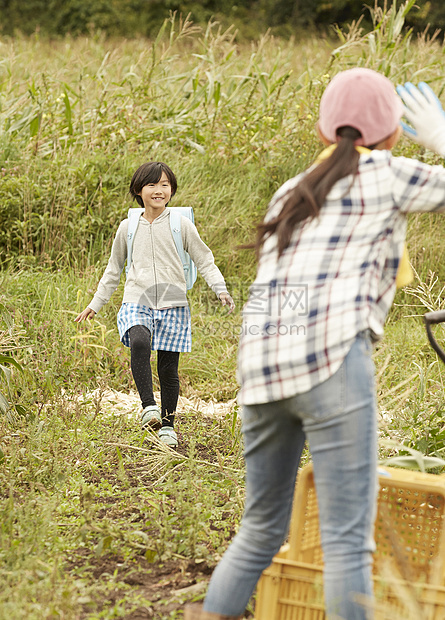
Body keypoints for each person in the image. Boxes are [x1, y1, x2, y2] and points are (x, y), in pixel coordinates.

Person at [184, 69, 445, 620]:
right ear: (393, 131)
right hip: (331, 361)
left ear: (325, 130)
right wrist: (442, 138)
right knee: (348, 541)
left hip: (260, 364)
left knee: (259, 530)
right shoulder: (388, 172)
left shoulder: (293, 188)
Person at [75, 161, 235, 447]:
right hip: (137, 297)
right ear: (139, 190)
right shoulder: (128, 227)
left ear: (171, 190)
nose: (159, 190)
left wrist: (220, 288)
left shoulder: (180, 225)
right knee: (138, 340)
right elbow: (114, 269)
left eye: (165, 185)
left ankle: (168, 425)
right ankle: (148, 407)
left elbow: (204, 258)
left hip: (173, 301)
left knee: (168, 369)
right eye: (152, 185)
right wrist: (96, 303)